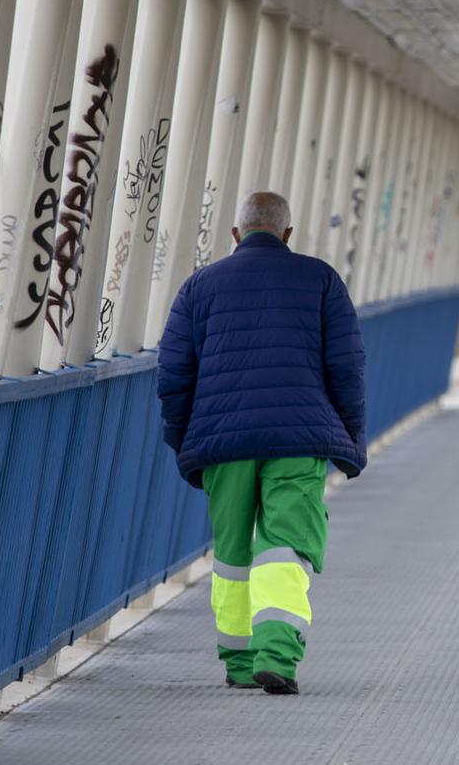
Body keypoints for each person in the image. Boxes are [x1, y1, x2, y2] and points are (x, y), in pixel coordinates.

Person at [156, 190, 366, 695]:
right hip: (297, 435)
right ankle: (278, 653)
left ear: (236, 234)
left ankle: (240, 660)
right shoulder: (319, 279)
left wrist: (184, 439)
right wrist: (352, 436)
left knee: (231, 553)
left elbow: (173, 374)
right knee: (286, 544)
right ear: (287, 234)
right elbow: (347, 366)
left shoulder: (197, 287)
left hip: (222, 441)